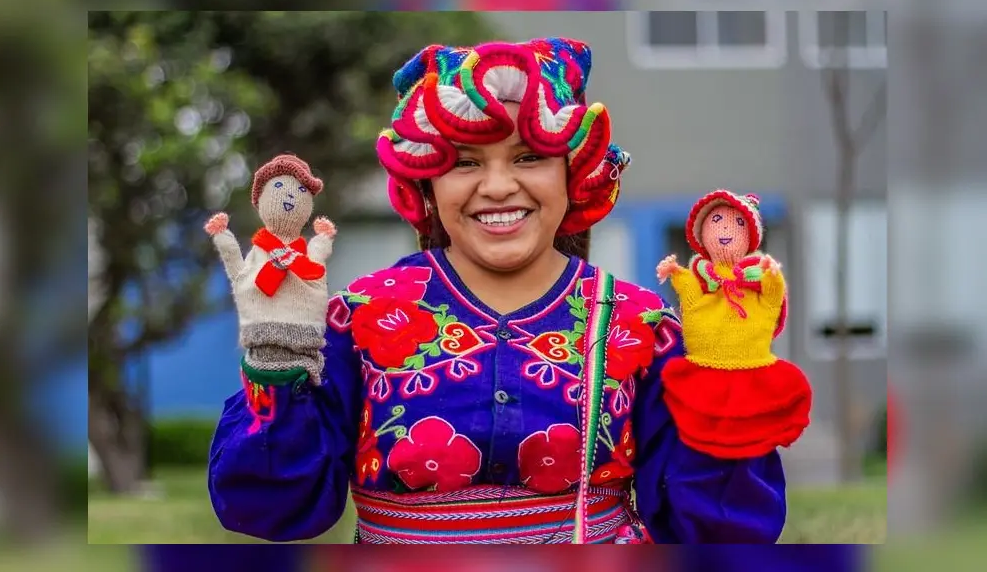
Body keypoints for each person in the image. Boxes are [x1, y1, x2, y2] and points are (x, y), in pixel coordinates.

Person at [208, 37, 790, 544]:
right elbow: (270, 508)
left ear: (576, 173)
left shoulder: (641, 327)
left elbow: (719, 531)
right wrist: (275, 362)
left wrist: (729, 375)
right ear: (427, 184)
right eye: (465, 161)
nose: (498, 186)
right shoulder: (355, 321)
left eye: (530, 156)